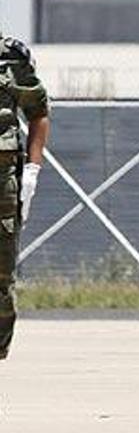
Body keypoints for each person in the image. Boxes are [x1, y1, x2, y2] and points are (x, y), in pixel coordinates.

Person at [0, 34, 50, 393]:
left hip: (2, 187)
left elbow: (38, 112)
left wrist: (31, 172)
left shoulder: (10, 57)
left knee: (0, 280)